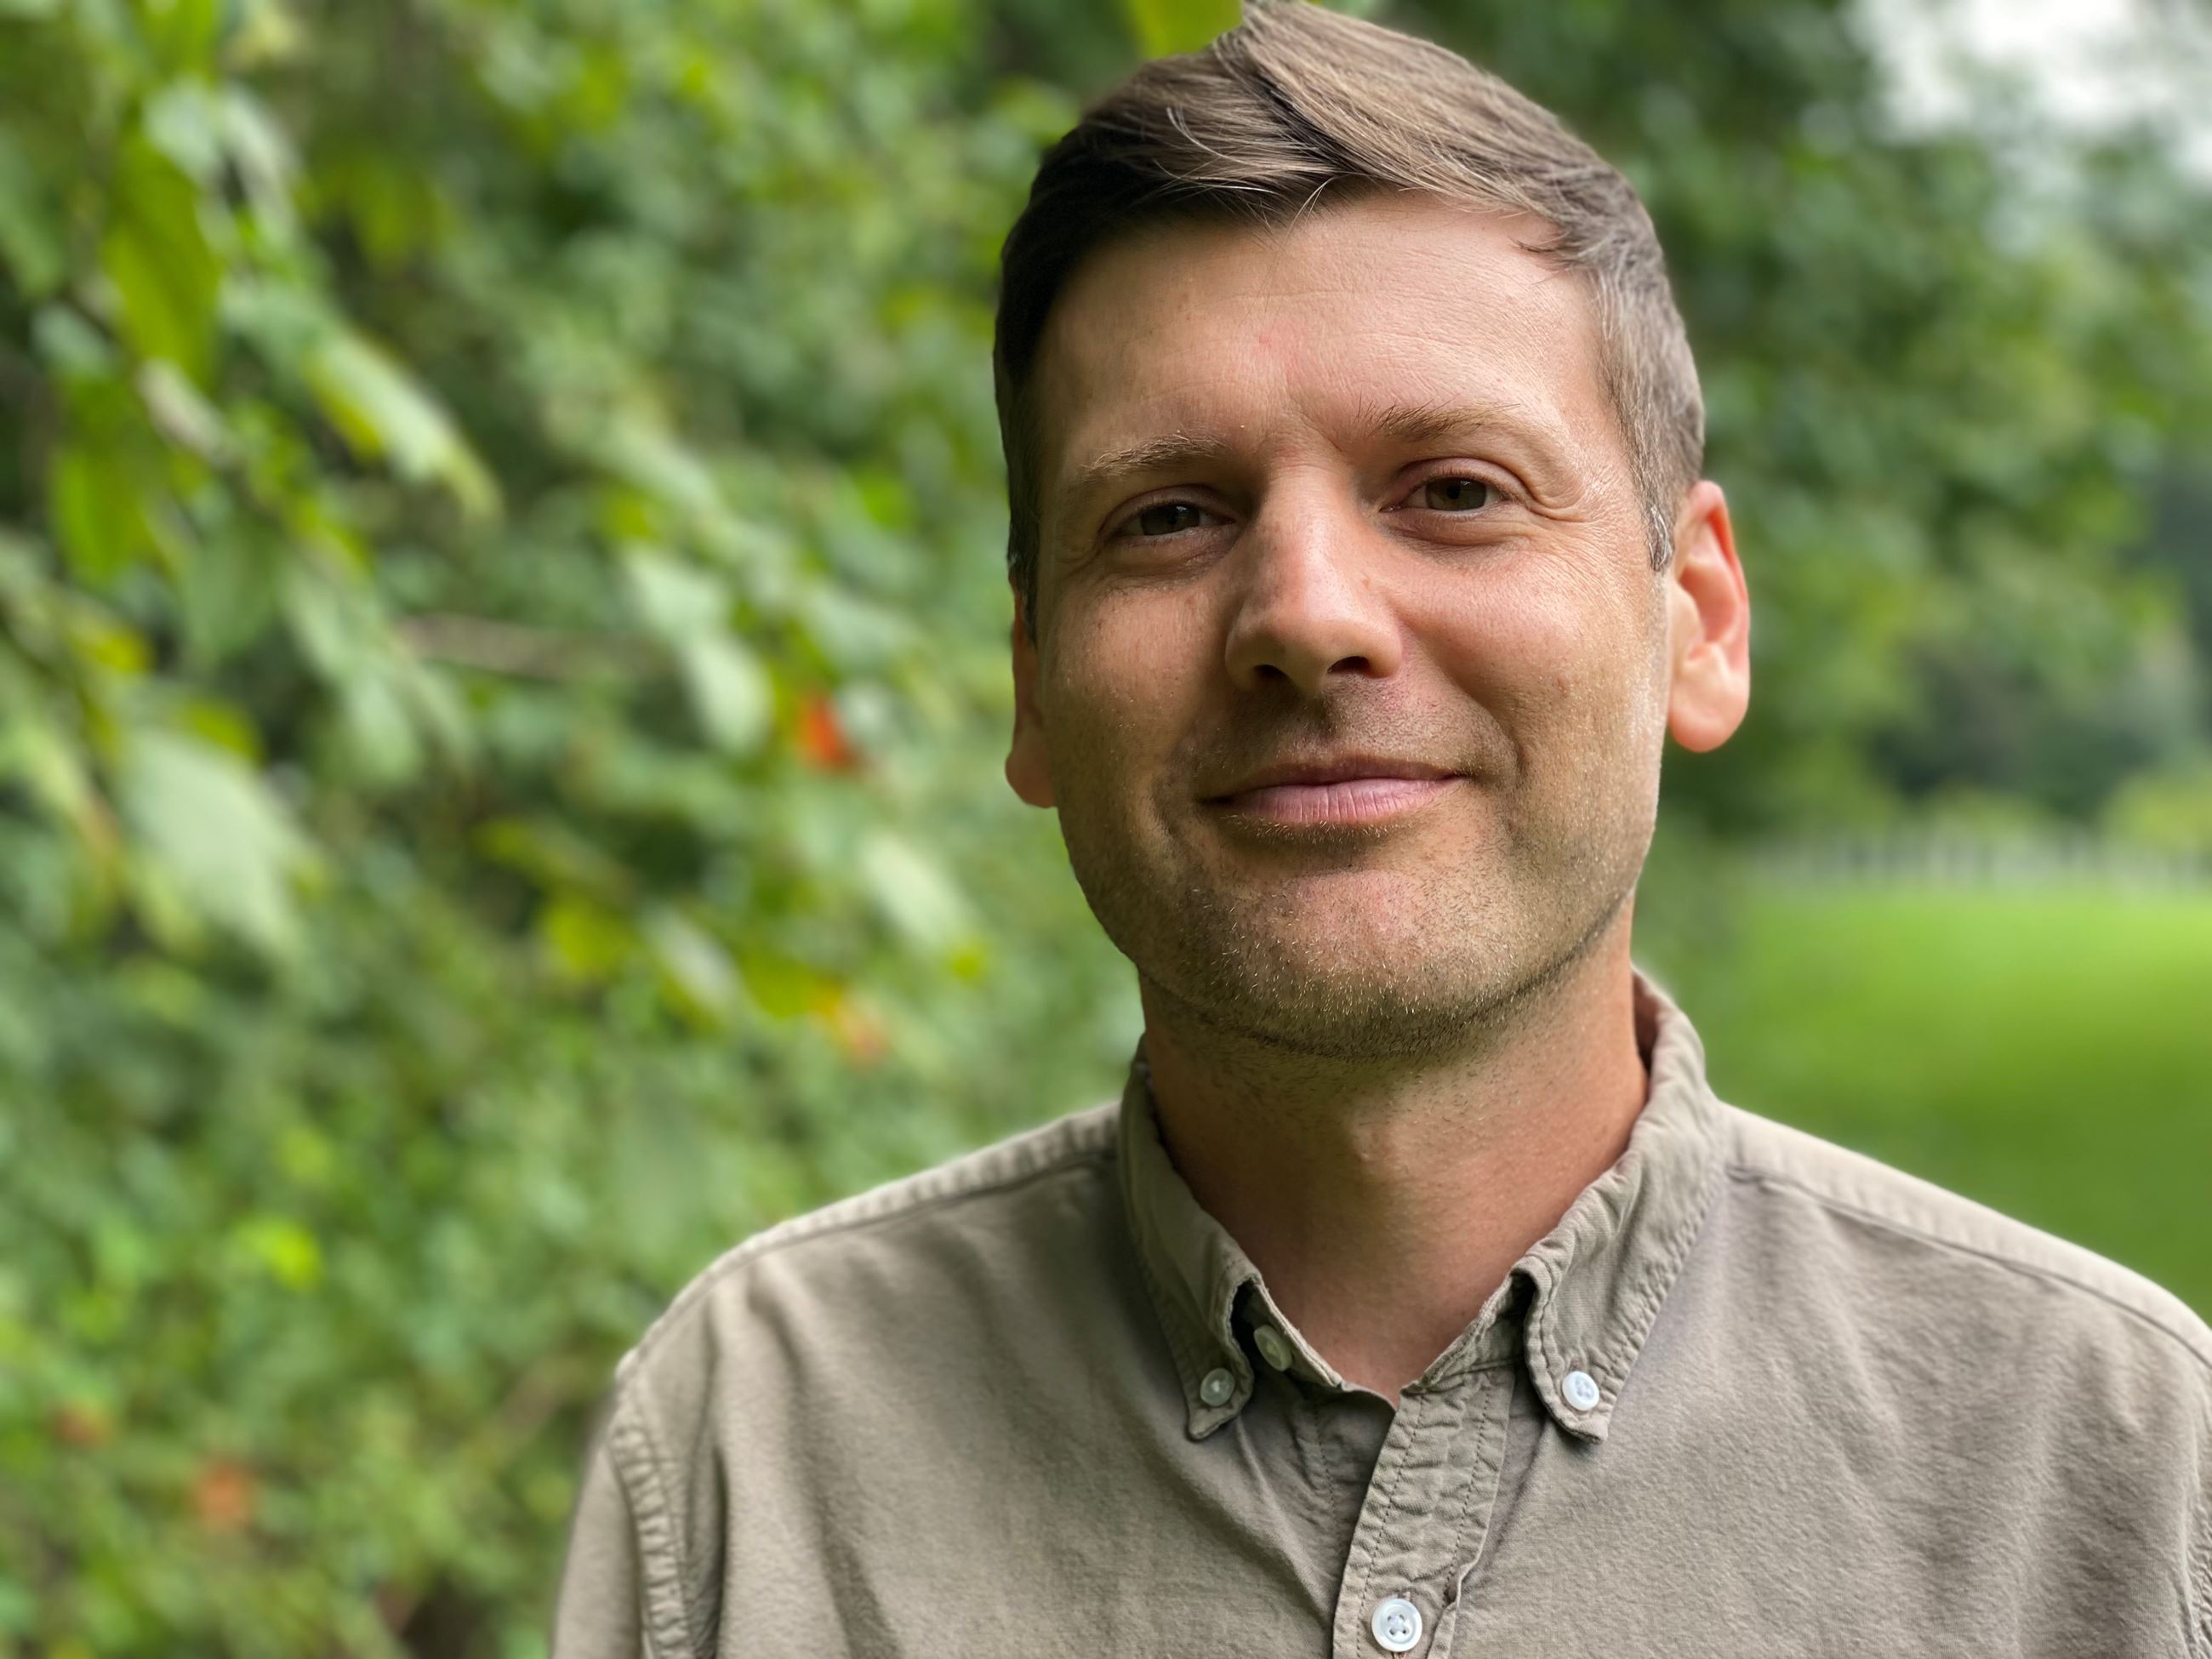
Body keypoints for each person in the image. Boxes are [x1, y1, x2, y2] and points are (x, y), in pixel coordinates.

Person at [550, 4, 2212, 1653]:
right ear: (1035, 682)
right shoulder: (751, 1441)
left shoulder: (2113, 1472)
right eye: (1169, 515)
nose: (1308, 615)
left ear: (1698, 620)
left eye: (1455, 491)